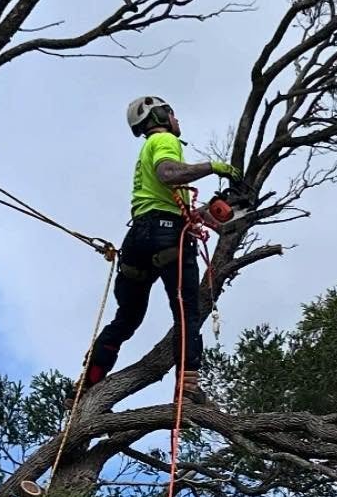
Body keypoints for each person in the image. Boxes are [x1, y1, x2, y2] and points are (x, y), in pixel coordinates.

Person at [76, 95, 237, 405]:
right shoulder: (163, 140)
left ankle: (88, 384)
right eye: (172, 113)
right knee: (187, 312)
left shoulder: (146, 151)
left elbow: (165, 196)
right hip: (167, 237)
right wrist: (213, 166)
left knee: (126, 319)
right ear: (159, 116)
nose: (177, 119)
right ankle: (187, 389)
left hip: (138, 239)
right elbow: (168, 173)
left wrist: (211, 212)